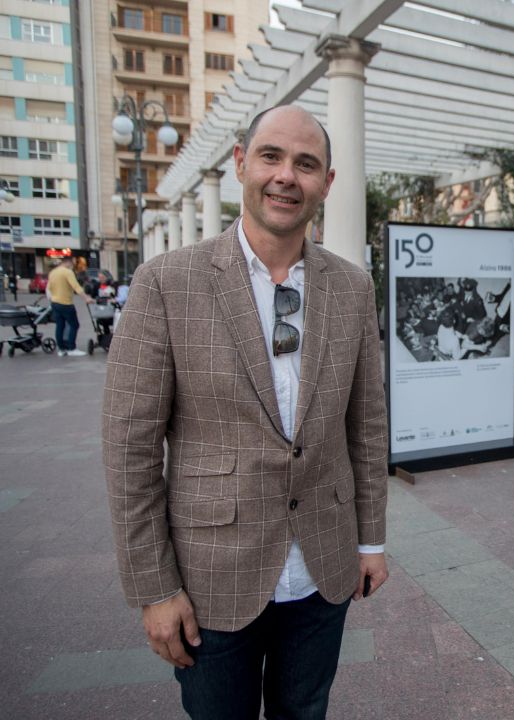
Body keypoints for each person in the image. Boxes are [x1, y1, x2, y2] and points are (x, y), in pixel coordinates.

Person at [102, 105, 389, 720]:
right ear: (240, 164)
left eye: (306, 164)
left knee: (305, 711)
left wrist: (370, 540)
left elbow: (366, 426)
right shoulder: (166, 284)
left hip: (322, 570)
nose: (287, 176)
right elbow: (130, 450)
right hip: (212, 580)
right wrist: (155, 589)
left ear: (328, 184)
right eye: (272, 157)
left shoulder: (352, 287)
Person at [48, 256, 94, 357]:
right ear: (68, 262)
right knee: (74, 325)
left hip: (55, 302)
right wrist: (86, 298)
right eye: (73, 263)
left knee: (60, 326)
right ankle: (71, 348)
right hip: (66, 303)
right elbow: (76, 286)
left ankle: (61, 349)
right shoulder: (67, 272)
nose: (73, 265)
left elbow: (49, 288)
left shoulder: (53, 272)